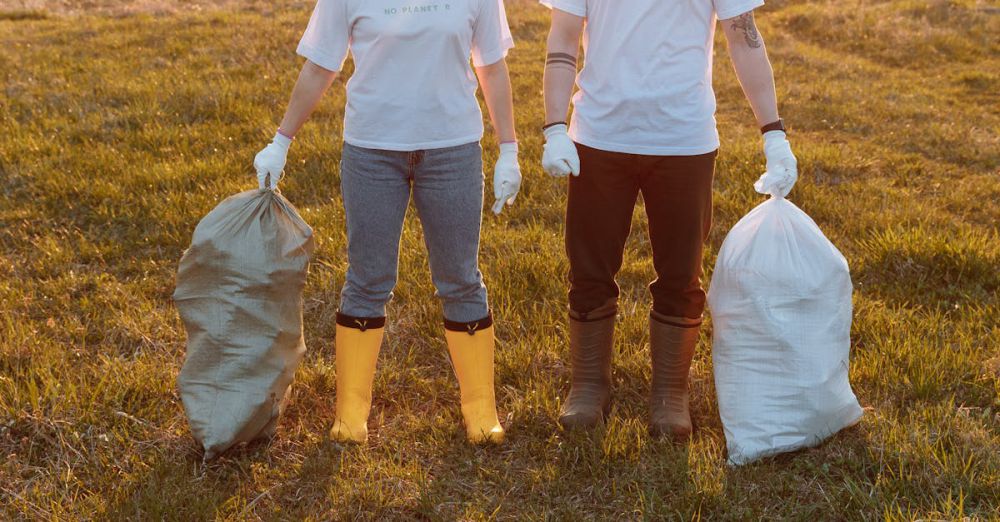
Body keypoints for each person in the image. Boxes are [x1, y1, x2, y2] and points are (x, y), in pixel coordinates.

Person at [253, 0, 521, 444]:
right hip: (372, 151)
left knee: (460, 279)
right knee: (367, 278)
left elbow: (491, 66)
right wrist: (281, 141)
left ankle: (481, 410)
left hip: (452, 149)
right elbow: (321, 66)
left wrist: (508, 148)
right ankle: (351, 412)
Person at [539, 0, 798, 439]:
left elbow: (744, 37)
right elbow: (563, 36)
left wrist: (774, 134)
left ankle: (669, 392)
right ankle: (588, 385)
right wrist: (553, 128)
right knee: (589, 269)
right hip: (600, 137)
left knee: (681, 274)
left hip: (684, 138)